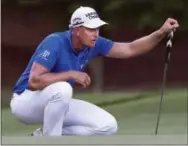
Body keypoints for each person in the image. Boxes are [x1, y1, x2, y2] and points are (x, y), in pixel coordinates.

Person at [10, 6, 179, 136]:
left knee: (107, 126)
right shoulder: (54, 42)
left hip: (54, 102)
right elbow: (34, 81)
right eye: (90, 29)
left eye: (97, 29)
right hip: (25, 101)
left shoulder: (94, 43)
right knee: (63, 88)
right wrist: (71, 74)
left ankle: (41, 137)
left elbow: (130, 49)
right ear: (76, 30)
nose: (95, 34)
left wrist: (161, 32)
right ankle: (51, 142)